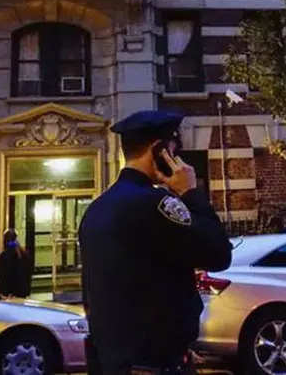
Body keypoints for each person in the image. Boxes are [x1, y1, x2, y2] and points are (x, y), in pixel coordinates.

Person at [79, 109, 233, 375]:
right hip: (153, 364)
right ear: (160, 150)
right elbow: (219, 253)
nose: (178, 159)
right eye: (174, 150)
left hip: (111, 362)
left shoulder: (95, 209)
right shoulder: (156, 204)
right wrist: (190, 193)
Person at [0, 229, 32, 298]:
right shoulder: (23, 253)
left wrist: (2, 291)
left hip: (11, 293)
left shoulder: (6, 254)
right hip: (21, 291)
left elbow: (4, 275)